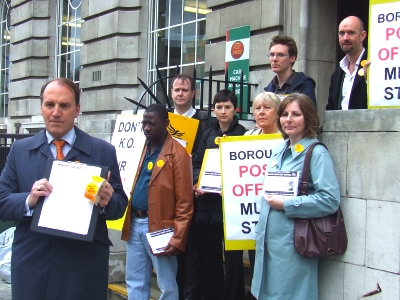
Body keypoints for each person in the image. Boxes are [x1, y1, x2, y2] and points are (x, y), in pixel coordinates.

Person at [0, 78, 128, 300]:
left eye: (64, 105)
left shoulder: (102, 151)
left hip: (82, 267)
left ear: (77, 109)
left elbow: (120, 206)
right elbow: (2, 201)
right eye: (50, 105)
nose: (56, 112)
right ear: (41, 108)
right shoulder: (20, 151)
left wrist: (108, 201)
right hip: (33, 264)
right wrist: (29, 200)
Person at [251, 93, 340, 299]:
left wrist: (288, 204)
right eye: (285, 114)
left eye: (296, 114)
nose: (288, 119)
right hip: (268, 244)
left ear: (308, 117)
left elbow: (330, 199)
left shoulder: (316, 153)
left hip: (295, 245)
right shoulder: (279, 150)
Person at [121, 104, 194, 300]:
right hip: (135, 221)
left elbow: (185, 203)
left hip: (161, 228)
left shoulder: (178, 155)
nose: (146, 127)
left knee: (167, 284)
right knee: (135, 280)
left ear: (166, 124)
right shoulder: (140, 148)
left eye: (151, 123)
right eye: (144, 123)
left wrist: (178, 237)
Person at [193, 89, 246, 300]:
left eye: (227, 107)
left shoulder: (243, 134)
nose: (223, 111)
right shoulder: (207, 134)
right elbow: (196, 163)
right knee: (211, 259)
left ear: (235, 109)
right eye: (219, 107)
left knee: (234, 260)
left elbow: (246, 169)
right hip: (208, 206)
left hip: (231, 207)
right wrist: (198, 182)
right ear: (214, 110)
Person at [171, 74, 209, 300]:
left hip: (193, 192)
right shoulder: (163, 120)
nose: (180, 94)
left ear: (193, 93)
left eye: (184, 90)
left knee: (192, 248)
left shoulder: (204, 121)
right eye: (176, 90)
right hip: (169, 194)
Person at [244, 92, 281, 300]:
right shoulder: (247, 137)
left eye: (267, 108)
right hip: (249, 213)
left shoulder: (285, 139)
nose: (261, 112)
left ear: (277, 112)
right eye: (257, 108)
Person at [326, 16, 367, 110]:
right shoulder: (336, 75)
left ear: (362, 35)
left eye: (351, 33)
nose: (345, 38)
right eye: (341, 33)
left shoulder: (375, 64)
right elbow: (331, 110)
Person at [264, 35, 316, 106]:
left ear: (292, 58)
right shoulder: (269, 88)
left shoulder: (304, 85)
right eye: (272, 54)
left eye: (280, 55)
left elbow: (310, 115)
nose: (274, 59)